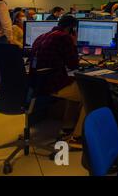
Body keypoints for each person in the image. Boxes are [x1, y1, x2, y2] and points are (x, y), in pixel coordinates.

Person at [30, 15, 83, 148]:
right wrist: (74, 43)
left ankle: (67, 127)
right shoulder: (64, 38)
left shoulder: (43, 36)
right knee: (90, 95)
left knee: (76, 87)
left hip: (38, 84)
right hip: (53, 85)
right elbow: (73, 65)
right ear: (71, 29)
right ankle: (77, 138)